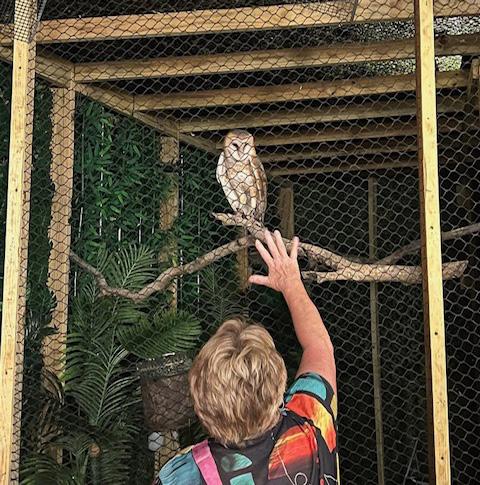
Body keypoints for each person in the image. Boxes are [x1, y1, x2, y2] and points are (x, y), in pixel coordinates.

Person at [155, 230, 338, 485]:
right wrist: (291, 284)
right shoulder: (310, 427)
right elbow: (319, 346)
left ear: (200, 405)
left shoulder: (184, 475)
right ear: (279, 386)